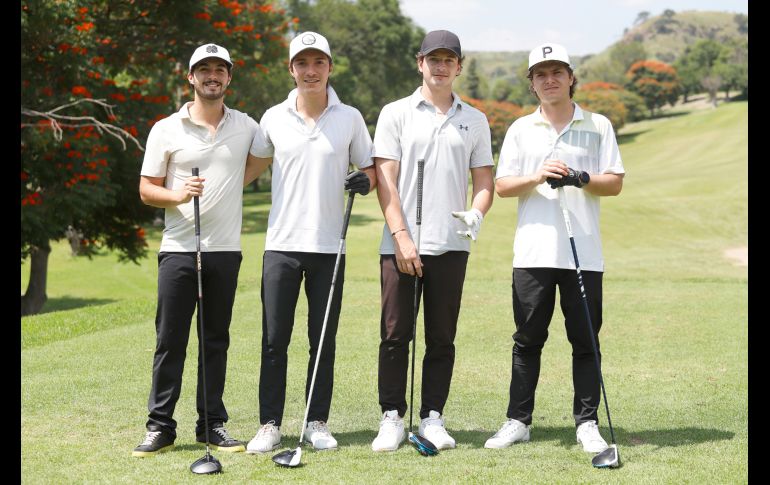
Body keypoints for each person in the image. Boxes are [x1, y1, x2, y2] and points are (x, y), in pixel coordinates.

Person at [484, 43, 625, 453]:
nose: (549, 80)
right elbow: (503, 185)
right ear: (531, 83)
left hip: (583, 253)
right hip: (532, 254)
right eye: (540, 74)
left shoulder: (597, 124)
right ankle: (518, 420)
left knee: (585, 342)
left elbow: (614, 182)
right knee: (527, 340)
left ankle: (586, 423)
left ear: (570, 77)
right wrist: (537, 176)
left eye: (557, 72)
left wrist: (580, 177)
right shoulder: (519, 129)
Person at [133, 43, 270, 456]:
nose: (212, 76)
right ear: (190, 77)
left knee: (215, 340)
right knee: (170, 341)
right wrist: (177, 194)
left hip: (224, 250)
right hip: (178, 249)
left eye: (220, 70)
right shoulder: (166, 128)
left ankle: (212, 424)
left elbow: (261, 160)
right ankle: (160, 427)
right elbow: (145, 189)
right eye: (204, 69)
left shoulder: (246, 126)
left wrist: (229, 189)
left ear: (229, 77)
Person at [244, 31, 375, 454]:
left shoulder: (350, 117)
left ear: (329, 68)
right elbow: (252, 167)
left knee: (323, 338)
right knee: (274, 338)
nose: (311, 70)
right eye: (303, 63)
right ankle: (269, 423)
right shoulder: (272, 117)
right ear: (292, 69)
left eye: (319, 62)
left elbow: (370, 169)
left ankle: (316, 420)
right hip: (281, 243)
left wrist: (364, 180)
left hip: (328, 246)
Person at [370, 30, 494, 452]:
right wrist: (402, 237)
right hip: (400, 244)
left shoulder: (474, 119)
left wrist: (477, 211)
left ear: (459, 66)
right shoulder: (396, 113)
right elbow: (385, 181)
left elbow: (484, 182)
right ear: (419, 62)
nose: (441, 66)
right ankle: (391, 416)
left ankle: (432, 418)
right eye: (433, 59)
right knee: (395, 334)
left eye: (449, 60)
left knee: (441, 336)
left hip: (451, 243)